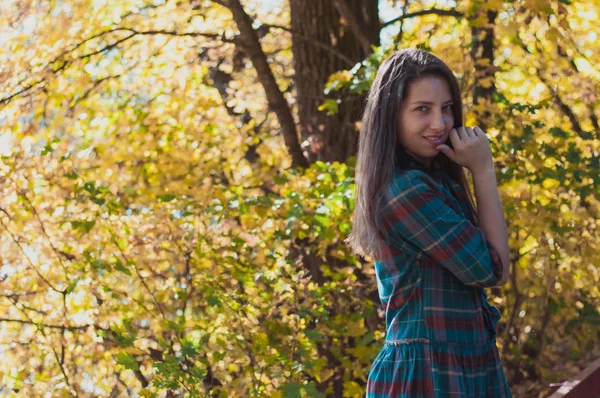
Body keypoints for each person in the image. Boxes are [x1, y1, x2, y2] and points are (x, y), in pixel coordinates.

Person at [346, 48, 513, 397]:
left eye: (447, 108)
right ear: (392, 115)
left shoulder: (436, 182)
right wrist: (483, 170)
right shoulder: (405, 190)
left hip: (462, 366)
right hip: (426, 375)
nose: (440, 124)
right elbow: (492, 268)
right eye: (422, 109)